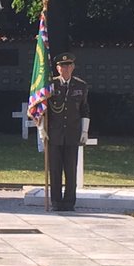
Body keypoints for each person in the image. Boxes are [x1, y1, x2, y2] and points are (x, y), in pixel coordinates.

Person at [41, 52, 90, 211]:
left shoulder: (80, 85)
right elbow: (43, 110)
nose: (65, 69)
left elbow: (84, 110)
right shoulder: (50, 85)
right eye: (62, 66)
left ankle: (69, 202)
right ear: (57, 68)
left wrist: (84, 131)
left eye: (68, 66)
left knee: (71, 169)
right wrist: (42, 129)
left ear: (73, 67)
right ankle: (56, 201)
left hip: (72, 133)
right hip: (54, 134)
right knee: (55, 170)